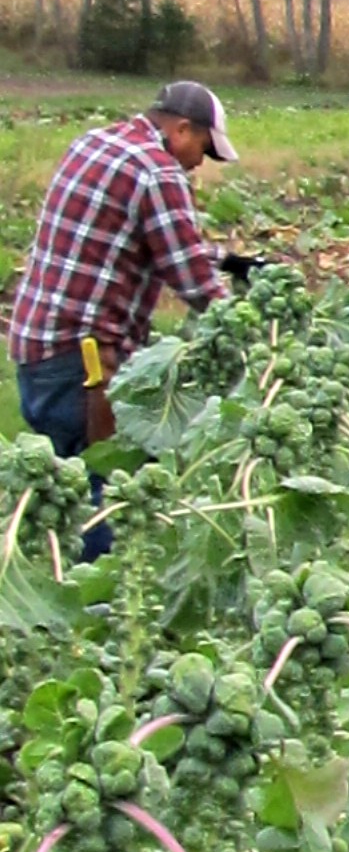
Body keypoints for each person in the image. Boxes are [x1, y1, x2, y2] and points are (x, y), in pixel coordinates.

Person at [8, 81, 260, 559]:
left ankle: (56, 592)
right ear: (182, 129)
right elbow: (191, 279)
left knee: (61, 486)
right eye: (203, 149)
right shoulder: (158, 172)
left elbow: (130, 232)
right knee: (104, 484)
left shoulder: (94, 143)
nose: (198, 164)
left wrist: (230, 259)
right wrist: (248, 329)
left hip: (35, 346)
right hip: (83, 362)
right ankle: (103, 609)